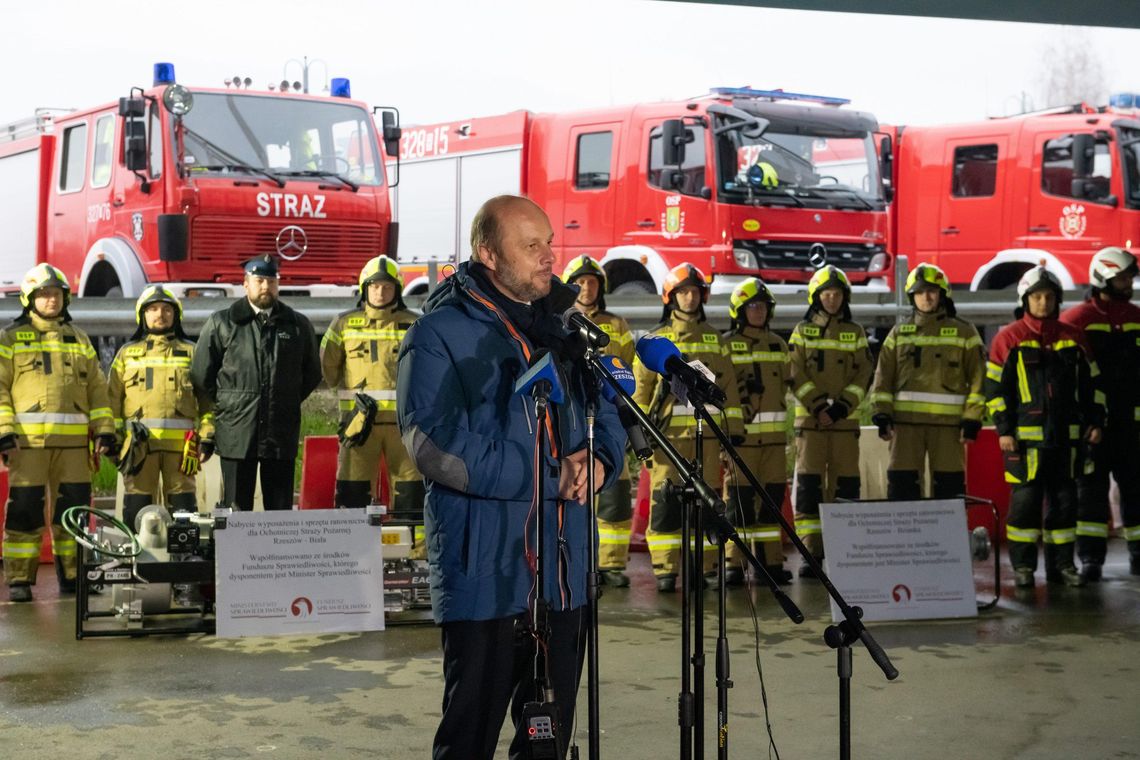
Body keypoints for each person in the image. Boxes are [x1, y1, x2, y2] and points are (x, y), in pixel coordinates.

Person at [396, 195, 625, 760]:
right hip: (486, 578)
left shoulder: (570, 332)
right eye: (531, 246)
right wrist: (549, 474)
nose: (550, 257)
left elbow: (614, 411)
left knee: (547, 740)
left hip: (565, 574)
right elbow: (435, 447)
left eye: (550, 242)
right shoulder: (437, 335)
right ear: (488, 254)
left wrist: (600, 462)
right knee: (468, 740)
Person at [0, 264, 116, 602]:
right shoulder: (11, 338)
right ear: (29, 299)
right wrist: (4, 432)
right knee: (24, 510)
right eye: (43, 294)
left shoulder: (79, 339)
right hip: (28, 445)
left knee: (75, 513)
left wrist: (105, 430)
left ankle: (74, 574)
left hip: (74, 447)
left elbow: (98, 388)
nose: (51, 300)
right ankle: (19, 579)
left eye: (56, 294)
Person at [985, 266, 1104, 588]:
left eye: (1049, 297)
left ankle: (1063, 566)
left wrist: (1095, 422)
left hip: (1067, 440)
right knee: (1024, 508)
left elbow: (1092, 385)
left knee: (1065, 507)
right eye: (1036, 297)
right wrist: (1004, 430)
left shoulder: (1073, 338)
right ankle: (1023, 569)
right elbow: (995, 392)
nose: (1043, 302)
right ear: (1025, 299)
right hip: (1025, 443)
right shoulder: (1008, 338)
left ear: (1057, 300)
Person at [632, 263, 744, 592]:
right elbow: (639, 394)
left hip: (706, 438)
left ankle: (706, 566)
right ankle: (666, 569)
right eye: (683, 292)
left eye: (695, 292)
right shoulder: (655, 341)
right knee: (665, 505)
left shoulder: (715, 340)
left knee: (709, 503)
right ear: (670, 297)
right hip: (665, 441)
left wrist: (732, 430)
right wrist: (640, 439)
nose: (690, 297)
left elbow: (729, 389)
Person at [190, 255, 320, 511]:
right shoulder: (223, 323)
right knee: (236, 509)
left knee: (278, 509)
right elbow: (201, 374)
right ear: (246, 284)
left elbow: (311, 374)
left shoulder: (296, 325)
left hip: (280, 432)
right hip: (236, 431)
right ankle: (237, 553)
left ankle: (276, 552)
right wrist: (228, 404)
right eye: (259, 281)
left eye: (272, 281)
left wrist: (284, 399)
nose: (266, 287)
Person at [322, 256, 424, 547]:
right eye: (375, 286)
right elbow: (328, 367)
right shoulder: (343, 323)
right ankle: (350, 553)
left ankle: (412, 554)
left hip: (405, 426)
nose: (380, 292)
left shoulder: (414, 324)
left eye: (387, 287)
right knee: (353, 488)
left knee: (410, 490)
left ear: (398, 290)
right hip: (358, 425)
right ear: (364, 288)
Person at [869, 264, 986, 500]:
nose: (927, 297)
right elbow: (883, 378)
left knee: (949, 490)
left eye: (932, 291)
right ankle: (904, 537)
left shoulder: (964, 332)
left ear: (943, 294)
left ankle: (947, 537)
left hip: (949, 427)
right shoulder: (899, 333)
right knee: (903, 488)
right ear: (912, 296)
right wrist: (882, 415)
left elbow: (978, 380)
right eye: (920, 292)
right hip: (905, 426)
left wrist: (972, 419)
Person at [1059, 247, 1140, 579]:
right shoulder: (1076, 321)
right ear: (1103, 277)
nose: (1128, 283)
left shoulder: (1136, 318)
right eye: (1121, 278)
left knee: (1136, 488)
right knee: (1089, 492)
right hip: (1093, 425)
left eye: (1128, 277)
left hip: (1132, 422)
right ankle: (1091, 559)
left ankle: (1138, 553)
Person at [788, 265, 872, 577]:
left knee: (845, 487)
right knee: (810, 488)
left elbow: (863, 374)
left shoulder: (856, 332)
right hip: (811, 424)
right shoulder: (802, 331)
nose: (832, 299)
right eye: (827, 294)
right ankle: (812, 555)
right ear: (816, 296)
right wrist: (819, 407)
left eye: (837, 294)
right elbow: (795, 373)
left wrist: (840, 408)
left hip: (844, 424)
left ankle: (845, 551)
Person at [108, 286, 212, 529]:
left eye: (166, 309)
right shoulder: (126, 354)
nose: (160, 314)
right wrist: (112, 440)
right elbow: (111, 400)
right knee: (137, 508)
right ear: (142, 315)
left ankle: (184, 560)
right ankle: (136, 560)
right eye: (153, 309)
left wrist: (207, 437)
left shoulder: (191, 352)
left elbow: (209, 402)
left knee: (184, 510)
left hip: (181, 450)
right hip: (138, 448)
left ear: (176, 315)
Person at [561, 254, 637, 587]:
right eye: (580, 281)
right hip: (575, 418)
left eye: (592, 281)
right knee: (577, 491)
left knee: (614, 495)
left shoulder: (617, 325)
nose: (587, 287)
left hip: (609, 419)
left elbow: (629, 369)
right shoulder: (560, 321)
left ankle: (611, 565)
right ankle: (581, 561)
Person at [723, 277, 793, 584]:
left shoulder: (779, 344)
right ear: (739, 310)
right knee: (739, 505)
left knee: (771, 504)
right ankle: (735, 565)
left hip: (775, 443)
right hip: (743, 441)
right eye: (752, 306)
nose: (758, 312)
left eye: (763, 306)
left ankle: (770, 564)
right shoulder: (726, 345)